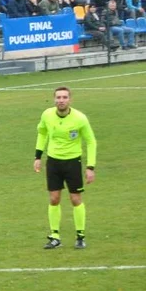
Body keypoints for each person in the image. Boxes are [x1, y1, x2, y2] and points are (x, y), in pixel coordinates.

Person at [35, 86, 97, 249]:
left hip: (72, 162)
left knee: (75, 199)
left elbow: (91, 141)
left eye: (64, 97)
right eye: (58, 97)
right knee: (54, 198)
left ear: (70, 100)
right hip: (53, 162)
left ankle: (80, 236)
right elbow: (42, 133)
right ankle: (55, 236)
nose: (61, 100)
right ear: (54, 99)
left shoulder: (80, 118)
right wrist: (37, 156)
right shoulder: (47, 115)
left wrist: (90, 167)